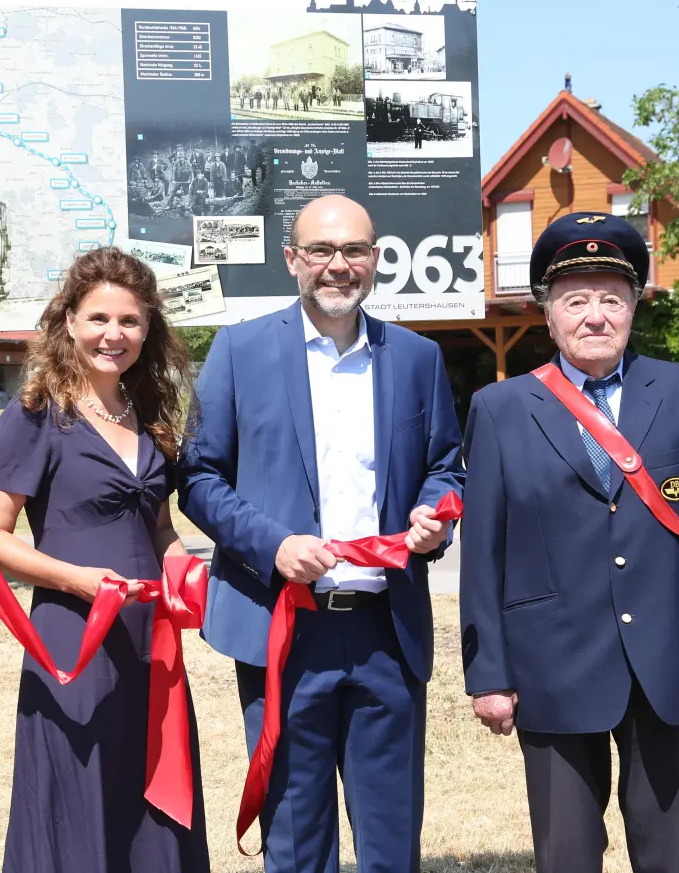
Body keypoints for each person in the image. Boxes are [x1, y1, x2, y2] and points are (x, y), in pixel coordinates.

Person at [459, 213, 679, 873]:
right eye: (575, 301)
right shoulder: (502, 408)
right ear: (548, 315)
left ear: (633, 306)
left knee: (676, 849)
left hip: (669, 656)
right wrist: (489, 675)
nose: (595, 316)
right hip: (551, 662)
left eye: (610, 299)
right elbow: (483, 554)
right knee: (566, 852)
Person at [179, 195, 464, 873]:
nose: (339, 266)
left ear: (375, 258)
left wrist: (434, 518)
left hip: (385, 632)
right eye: (321, 252)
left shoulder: (417, 359)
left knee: (392, 840)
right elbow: (198, 477)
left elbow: (445, 467)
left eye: (355, 251)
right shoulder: (239, 351)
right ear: (292, 260)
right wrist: (271, 544)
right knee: (297, 838)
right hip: (284, 629)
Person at [0, 247, 210, 873]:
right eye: (99, 318)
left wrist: (183, 566)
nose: (114, 335)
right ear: (70, 323)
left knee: (151, 795)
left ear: (148, 329)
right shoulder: (34, 416)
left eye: (130, 321)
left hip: (148, 640)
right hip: (73, 638)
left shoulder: (153, 414)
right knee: (79, 798)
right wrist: (76, 581)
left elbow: (159, 525)